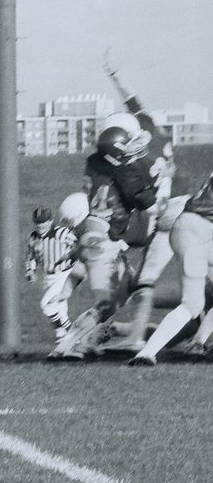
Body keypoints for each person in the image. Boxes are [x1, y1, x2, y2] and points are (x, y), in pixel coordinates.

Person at [48, 58, 175, 359]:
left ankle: (74, 339)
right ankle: (70, 345)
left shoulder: (95, 163)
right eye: (131, 140)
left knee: (114, 293)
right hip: (108, 240)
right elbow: (147, 204)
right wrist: (161, 182)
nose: (137, 143)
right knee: (111, 299)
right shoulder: (128, 170)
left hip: (93, 235)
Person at [128, 169, 213, 366]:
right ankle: (194, 342)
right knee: (193, 304)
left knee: (194, 304)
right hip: (202, 232)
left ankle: (148, 353)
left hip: (185, 227)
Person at [24, 206, 82, 340]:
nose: (40, 225)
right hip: (48, 277)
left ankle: (61, 333)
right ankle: (74, 339)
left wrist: (75, 257)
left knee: (47, 305)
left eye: (43, 221)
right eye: (37, 222)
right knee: (62, 314)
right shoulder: (32, 237)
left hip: (65, 275)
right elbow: (31, 256)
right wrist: (30, 271)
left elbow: (79, 245)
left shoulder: (61, 233)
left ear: (50, 221)